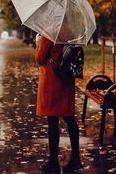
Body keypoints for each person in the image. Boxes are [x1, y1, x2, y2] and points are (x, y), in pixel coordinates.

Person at [35, 34, 83, 173]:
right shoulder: (67, 32)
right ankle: (76, 159)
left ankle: (53, 162)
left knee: (52, 121)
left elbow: (40, 58)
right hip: (66, 80)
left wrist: (38, 42)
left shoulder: (48, 33)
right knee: (69, 119)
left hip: (52, 82)